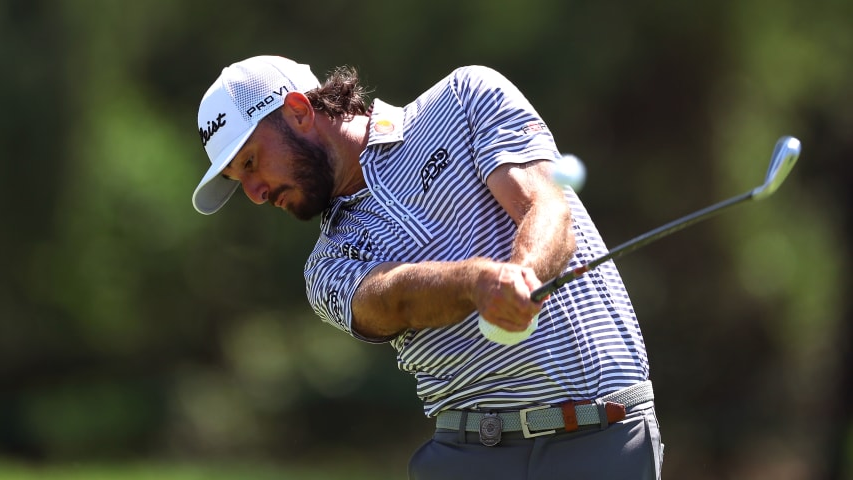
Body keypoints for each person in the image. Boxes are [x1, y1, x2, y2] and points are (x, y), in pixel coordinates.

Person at [192, 55, 664, 479]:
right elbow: (393, 300)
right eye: (240, 181)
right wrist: (477, 284)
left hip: (600, 437)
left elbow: (548, 210)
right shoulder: (325, 266)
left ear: (298, 110)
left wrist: (525, 274)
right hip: (469, 456)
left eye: (251, 162)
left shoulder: (466, 97)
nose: (255, 193)